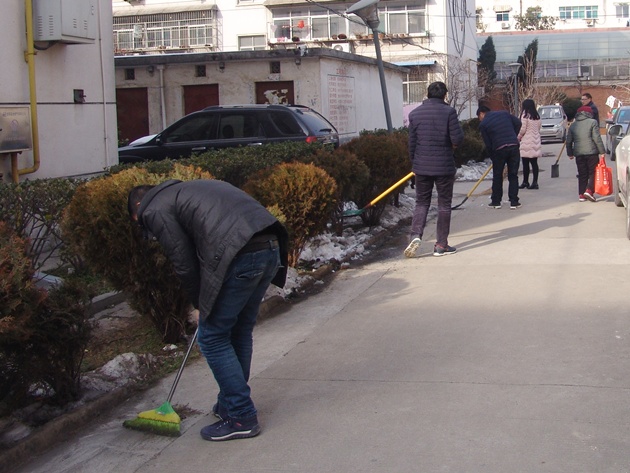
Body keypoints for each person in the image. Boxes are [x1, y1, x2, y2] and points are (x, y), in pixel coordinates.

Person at [128, 179, 288, 441]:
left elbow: (183, 261)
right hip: (269, 247)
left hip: (242, 254)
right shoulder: (183, 191)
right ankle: (229, 405)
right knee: (238, 331)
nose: (146, 228)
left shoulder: (153, 208)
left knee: (212, 337)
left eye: (140, 223)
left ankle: (242, 416)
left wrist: (200, 303)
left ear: (138, 205)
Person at [404, 81, 464, 258]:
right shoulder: (449, 112)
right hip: (444, 166)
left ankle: (415, 235)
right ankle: (441, 245)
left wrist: (415, 164)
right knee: (444, 205)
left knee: (421, 203)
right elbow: (457, 139)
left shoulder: (415, 114)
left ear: (427, 94)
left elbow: (412, 143)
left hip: (422, 166)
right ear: (444, 95)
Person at [477, 105, 523, 209]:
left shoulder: (483, 124)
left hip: (499, 149)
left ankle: (496, 201)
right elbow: (518, 123)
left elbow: (488, 144)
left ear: (481, 114)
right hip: (514, 146)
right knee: (513, 175)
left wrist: (493, 156)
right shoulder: (504, 113)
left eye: (479, 117)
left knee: (497, 176)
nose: (479, 120)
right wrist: (513, 135)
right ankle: (514, 202)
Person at [566, 106, 605, 202]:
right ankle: (589, 190)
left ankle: (581, 194)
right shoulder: (593, 122)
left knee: (582, 173)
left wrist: (570, 153)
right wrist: (602, 152)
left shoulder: (573, 125)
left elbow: (569, 141)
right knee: (593, 172)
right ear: (589, 113)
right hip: (592, 152)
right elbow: (597, 138)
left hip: (579, 154)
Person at [517, 99, 542, 189]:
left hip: (526, 141)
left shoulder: (525, 115)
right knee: (534, 163)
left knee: (525, 163)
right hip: (536, 140)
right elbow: (538, 128)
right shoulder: (537, 116)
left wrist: (518, 137)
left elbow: (522, 129)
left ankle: (525, 181)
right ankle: (535, 182)